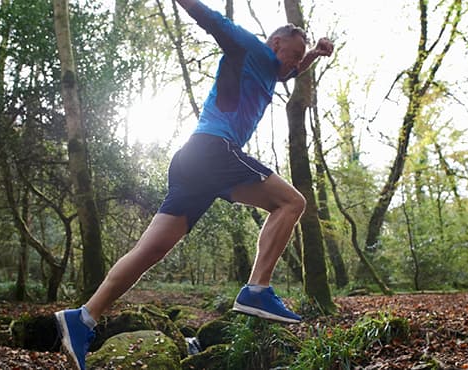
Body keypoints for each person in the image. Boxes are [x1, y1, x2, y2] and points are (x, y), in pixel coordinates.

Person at [55, 0, 334, 368]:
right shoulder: (247, 45)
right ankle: (257, 289)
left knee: (149, 253)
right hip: (214, 150)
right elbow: (210, 19)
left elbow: (288, 73)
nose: (294, 63)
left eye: (299, 59)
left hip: (193, 162)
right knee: (291, 203)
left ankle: (82, 318)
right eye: (292, 54)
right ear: (275, 43)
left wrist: (312, 54)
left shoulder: (272, 69)